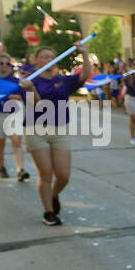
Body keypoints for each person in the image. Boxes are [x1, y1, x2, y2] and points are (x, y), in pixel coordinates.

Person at [18, 42, 94, 225]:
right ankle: (49, 212)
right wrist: (30, 90)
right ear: (35, 60)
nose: (49, 60)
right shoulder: (29, 82)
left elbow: (86, 74)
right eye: (44, 56)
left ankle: (53, 195)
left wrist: (84, 54)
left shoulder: (63, 80)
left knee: (63, 176)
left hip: (60, 129)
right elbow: (38, 105)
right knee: (46, 173)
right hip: (36, 130)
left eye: (52, 57)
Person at [0, 52, 28, 181]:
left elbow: (21, 96)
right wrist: (8, 96)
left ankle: (20, 169)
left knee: (16, 142)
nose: (5, 66)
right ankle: (2, 167)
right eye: (1, 63)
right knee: (0, 143)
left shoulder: (15, 81)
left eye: (7, 63)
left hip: (13, 114)